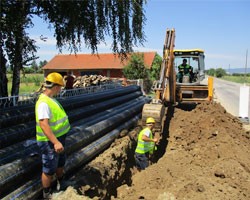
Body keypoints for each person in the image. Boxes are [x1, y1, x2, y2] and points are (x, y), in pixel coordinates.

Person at [35, 72, 70, 199]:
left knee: (60, 163)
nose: (60, 90)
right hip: (49, 142)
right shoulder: (44, 103)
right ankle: (47, 193)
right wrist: (55, 142)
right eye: (60, 87)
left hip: (58, 138)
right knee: (49, 169)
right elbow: (44, 125)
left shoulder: (51, 99)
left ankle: (62, 182)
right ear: (55, 86)